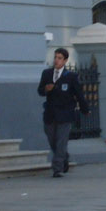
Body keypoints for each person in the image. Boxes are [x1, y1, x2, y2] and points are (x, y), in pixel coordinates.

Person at [37, 47, 89, 178]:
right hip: (50, 113)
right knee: (52, 140)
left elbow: (79, 94)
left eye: (59, 58)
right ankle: (64, 157)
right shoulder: (47, 74)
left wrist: (85, 109)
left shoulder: (71, 77)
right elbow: (40, 91)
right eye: (55, 57)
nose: (56, 60)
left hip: (65, 114)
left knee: (61, 141)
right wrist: (46, 89)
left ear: (65, 60)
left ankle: (57, 168)